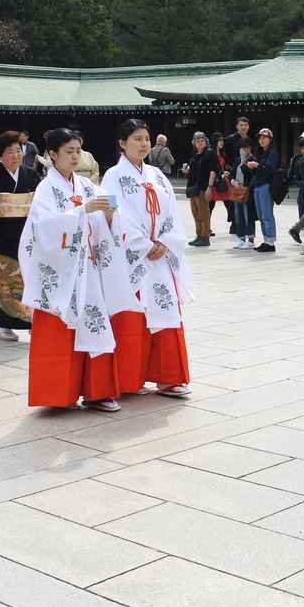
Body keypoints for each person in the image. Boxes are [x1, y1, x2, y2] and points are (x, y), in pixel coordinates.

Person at [20, 128, 141, 411]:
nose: (75, 157)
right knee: (61, 332)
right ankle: (58, 394)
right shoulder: (46, 189)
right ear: (52, 155)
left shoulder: (87, 186)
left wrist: (110, 215)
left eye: (78, 151)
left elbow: (110, 214)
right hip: (63, 271)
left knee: (96, 324)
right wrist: (80, 212)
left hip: (89, 268)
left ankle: (98, 392)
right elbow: (42, 228)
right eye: (69, 152)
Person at [103, 118, 194, 398]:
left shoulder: (157, 175)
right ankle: (132, 378)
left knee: (166, 315)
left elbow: (171, 212)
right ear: (122, 143)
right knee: (134, 318)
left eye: (146, 138)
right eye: (137, 139)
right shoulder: (113, 176)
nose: (143, 144)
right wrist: (143, 244)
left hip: (160, 255)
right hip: (134, 257)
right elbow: (116, 213)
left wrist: (165, 242)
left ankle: (168, 377)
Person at [0, 131, 40, 342]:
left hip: (26, 236)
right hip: (0, 237)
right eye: (10, 151)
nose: (16, 155)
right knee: (2, 282)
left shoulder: (31, 175)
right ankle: (3, 325)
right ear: (0, 155)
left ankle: (32, 321)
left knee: (29, 280)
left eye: (18, 151)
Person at [248, 127, 279, 252]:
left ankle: (270, 242)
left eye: (265, 138)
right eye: (260, 138)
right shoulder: (261, 153)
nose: (262, 140)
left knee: (267, 214)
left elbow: (270, 169)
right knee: (261, 215)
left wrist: (256, 165)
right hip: (258, 185)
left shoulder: (273, 153)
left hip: (266, 185)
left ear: (270, 139)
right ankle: (266, 240)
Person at [184, 131, 217, 247]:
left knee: (204, 214)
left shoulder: (209, 153)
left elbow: (213, 171)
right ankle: (199, 235)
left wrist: (210, 187)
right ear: (194, 142)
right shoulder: (195, 154)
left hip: (203, 188)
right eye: (197, 141)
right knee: (196, 214)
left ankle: (205, 237)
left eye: (202, 141)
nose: (200, 143)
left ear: (206, 141)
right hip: (193, 188)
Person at [231, 140, 256, 249]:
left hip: (247, 191)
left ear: (250, 149)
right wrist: (233, 181)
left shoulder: (252, 160)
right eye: (242, 148)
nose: (243, 150)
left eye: (246, 148)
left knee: (247, 216)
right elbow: (232, 173)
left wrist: (245, 162)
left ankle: (250, 240)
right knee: (238, 216)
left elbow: (252, 175)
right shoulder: (237, 160)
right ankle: (241, 238)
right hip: (237, 190)